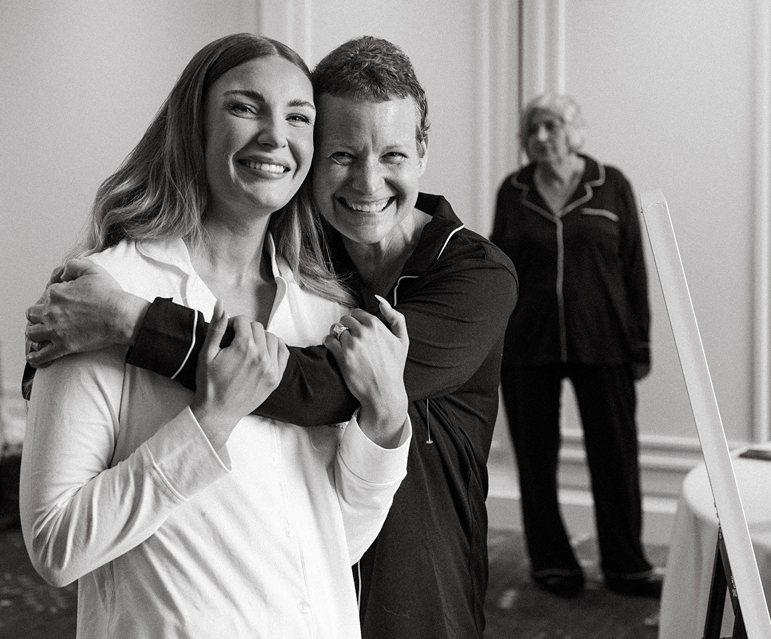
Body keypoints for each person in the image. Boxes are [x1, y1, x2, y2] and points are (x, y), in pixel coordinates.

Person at [25, 36, 517, 638]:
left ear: (420, 154)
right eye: (244, 107)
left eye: (296, 116)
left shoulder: (331, 304)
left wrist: (386, 423)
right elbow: (54, 546)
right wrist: (206, 423)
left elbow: (330, 532)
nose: (275, 136)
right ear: (194, 125)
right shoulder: (106, 291)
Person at [490, 93, 661, 598]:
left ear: (574, 130)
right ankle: (553, 564)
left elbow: (634, 268)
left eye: (551, 126)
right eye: (532, 130)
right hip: (528, 342)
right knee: (535, 458)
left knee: (615, 454)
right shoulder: (513, 190)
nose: (541, 138)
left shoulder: (612, 185)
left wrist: (640, 342)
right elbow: (500, 268)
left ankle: (627, 566)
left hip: (604, 339)